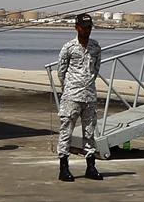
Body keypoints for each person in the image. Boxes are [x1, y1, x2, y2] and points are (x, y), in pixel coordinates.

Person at [56, 14, 103, 182]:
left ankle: (91, 166)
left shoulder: (95, 47)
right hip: (71, 96)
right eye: (84, 28)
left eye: (89, 27)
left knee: (89, 132)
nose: (87, 31)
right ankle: (63, 167)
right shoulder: (69, 47)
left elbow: (95, 70)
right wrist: (69, 87)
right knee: (66, 131)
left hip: (89, 96)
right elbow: (61, 71)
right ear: (77, 27)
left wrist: (87, 84)